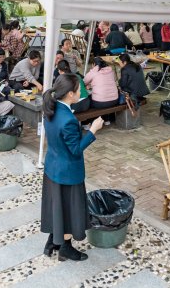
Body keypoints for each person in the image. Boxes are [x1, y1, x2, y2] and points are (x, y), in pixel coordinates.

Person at [40, 73, 104, 261]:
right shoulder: (68, 119)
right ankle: (65, 248)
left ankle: (53, 240)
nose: (81, 93)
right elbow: (75, 150)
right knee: (68, 209)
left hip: (52, 167)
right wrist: (93, 130)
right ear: (70, 94)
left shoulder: (51, 108)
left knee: (57, 205)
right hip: (67, 172)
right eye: (78, 90)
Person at [83, 57, 119, 123]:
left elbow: (84, 82)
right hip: (114, 100)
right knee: (105, 96)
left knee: (88, 100)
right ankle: (107, 119)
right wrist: (92, 84)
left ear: (94, 64)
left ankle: (90, 122)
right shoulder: (110, 70)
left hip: (100, 103)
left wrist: (90, 85)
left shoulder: (94, 71)